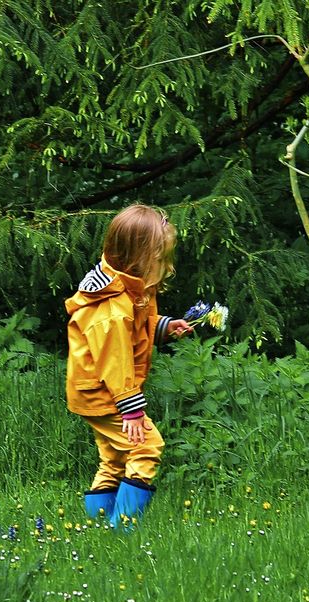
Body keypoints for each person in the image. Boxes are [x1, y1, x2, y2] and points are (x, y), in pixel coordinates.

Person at [65, 204, 192, 529]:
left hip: (99, 392)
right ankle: (123, 529)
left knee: (113, 458)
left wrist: (163, 326)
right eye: (160, 259)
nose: (166, 265)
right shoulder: (112, 307)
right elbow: (114, 361)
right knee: (147, 447)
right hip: (105, 393)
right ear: (139, 258)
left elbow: (135, 328)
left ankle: (100, 528)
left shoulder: (127, 287)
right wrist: (131, 411)